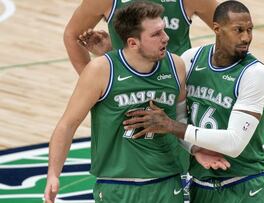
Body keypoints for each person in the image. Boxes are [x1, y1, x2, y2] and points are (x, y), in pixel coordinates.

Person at [44, 2, 228, 203]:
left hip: (167, 181)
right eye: (156, 34)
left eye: (164, 30)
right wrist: (53, 174)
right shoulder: (100, 72)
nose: (166, 38)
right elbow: (67, 125)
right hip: (117, 184)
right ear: (133, 43)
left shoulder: (176, 66)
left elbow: (182, 119)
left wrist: (195, 149)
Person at [123, 1, 264, 202]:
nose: (246, 37)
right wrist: (194, 148)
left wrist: (170, 126)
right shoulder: (191, 59)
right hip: (200, 187)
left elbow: (234, 143)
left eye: (249, 30)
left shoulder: (255, 74)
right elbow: (178, 114)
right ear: (217, 29)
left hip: (245, 186)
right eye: (238, 30)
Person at [64, 0, 218, 75]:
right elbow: (72, 35)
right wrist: (90, 82)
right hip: (125, 88)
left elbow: (229, 30)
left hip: (176, 87)